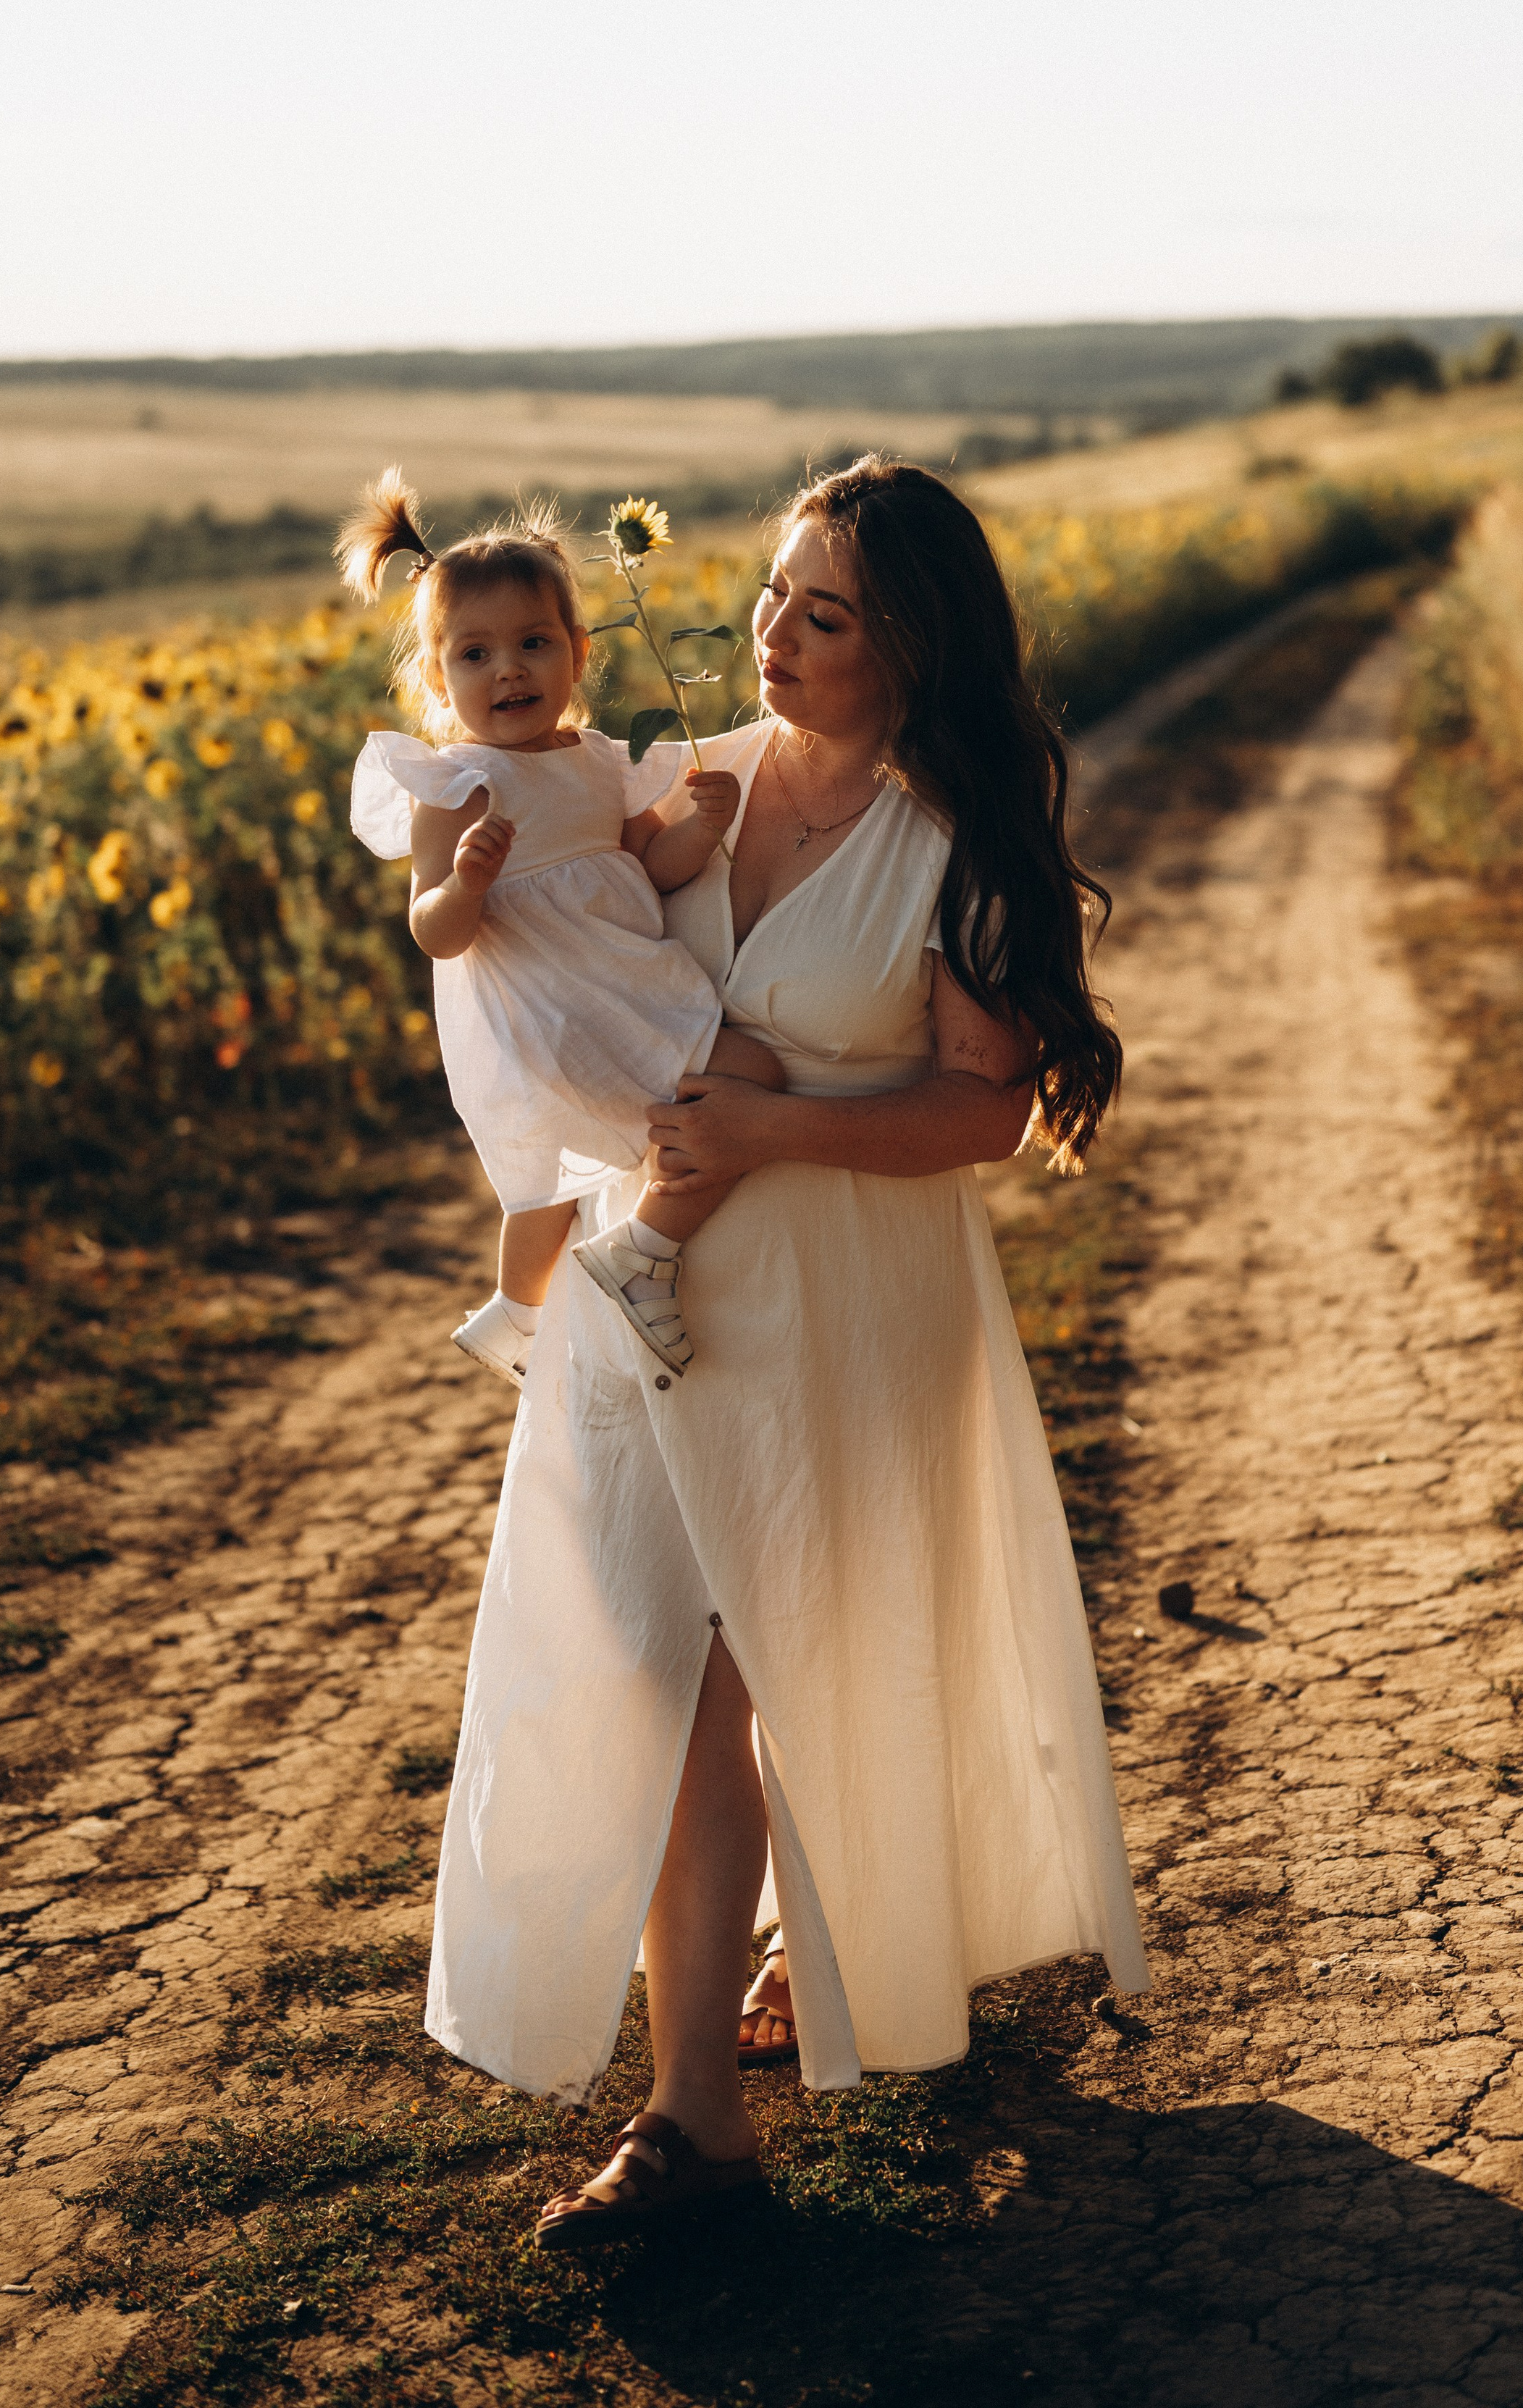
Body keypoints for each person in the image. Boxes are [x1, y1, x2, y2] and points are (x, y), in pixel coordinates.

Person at [421, 456, 1149, 2249]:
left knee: (790, 1667)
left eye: (822, 615)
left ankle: (785, 2013)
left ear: (908, 649)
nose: (774, 634)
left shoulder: (945, 838)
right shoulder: (683, 784)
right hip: (640, 1297)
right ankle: (696, 2105)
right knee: (655, 1675)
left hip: (840, 1302)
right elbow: (533, 963)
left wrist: (771, 1128)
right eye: (770, 594)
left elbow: (984, 1110)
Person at [342, 469, 786, 1385]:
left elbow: (647, 863)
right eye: (475, 653)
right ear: (436, 677)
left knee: (574, 1164)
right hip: (550, 1004)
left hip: (624, 981)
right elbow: (432, 929)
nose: (508, 668)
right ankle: (640, 1253)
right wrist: (465, 883)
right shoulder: (455, 786)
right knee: (733, 1086)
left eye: (533, 643)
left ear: (578, 654)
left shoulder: (597, 762)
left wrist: (700, 825)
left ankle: (521, 1307)